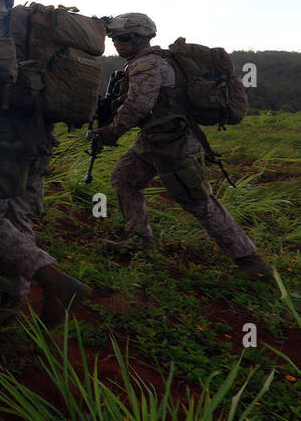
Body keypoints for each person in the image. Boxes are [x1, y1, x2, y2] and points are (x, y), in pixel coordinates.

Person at [0, 0, 90, 324]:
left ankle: (51, 278)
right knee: (20, 216)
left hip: (1, 142)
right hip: (41, 138)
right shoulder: (35, 31)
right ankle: (13, 299)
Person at [90, 14, 272, 276]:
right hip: (151, 140)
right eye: (114, 39)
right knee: (124, 179)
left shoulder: (149, 65)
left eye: (123, 38)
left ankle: (249, 260)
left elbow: (137, 106)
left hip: (174, 145)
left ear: (142, 37)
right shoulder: (143, 63)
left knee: (198, 202)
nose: (118, 43)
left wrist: (111, 132)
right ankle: (139, 238)